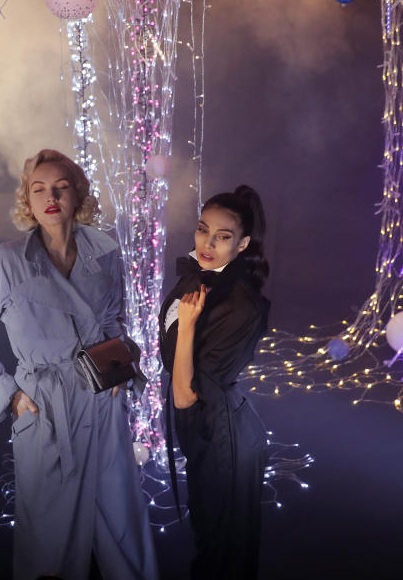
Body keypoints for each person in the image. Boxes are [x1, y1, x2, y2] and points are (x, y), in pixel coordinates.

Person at [0, 150, 159, 580]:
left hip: (102, 402)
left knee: (122, 524)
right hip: (47, 408)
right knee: (49, 537)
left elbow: (112, 321)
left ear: (77, 193)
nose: (50, 197)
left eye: (60, 187)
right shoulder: (5, 262)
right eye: (38, 189)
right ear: (27, 200)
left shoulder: (103, 254)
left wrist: (119, 367)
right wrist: (10, 395)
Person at [159, 185, 271, 579]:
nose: (207, 243)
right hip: (210, 420)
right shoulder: (202, 274)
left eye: (222, 237)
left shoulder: (240, 304)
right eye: (203, 229)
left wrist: (188, 327)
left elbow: (187, 394)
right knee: (212, 537)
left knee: (221, 549)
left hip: (223, 431)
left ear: (242, 246)